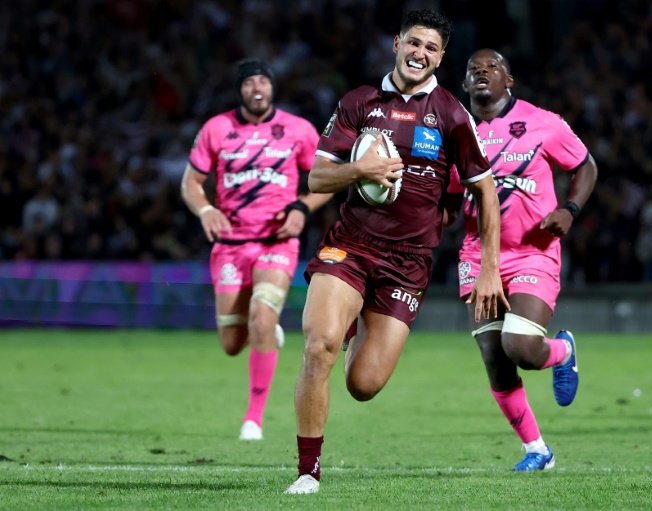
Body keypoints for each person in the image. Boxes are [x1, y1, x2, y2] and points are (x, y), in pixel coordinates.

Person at [284, 10, 509, 495]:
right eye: (413, 43)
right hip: (351, 245)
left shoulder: (452, 114)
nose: (419, 53)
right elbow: (318, 178)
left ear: (441, 57)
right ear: (396, 44)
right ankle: (308, 472)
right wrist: (360, 171)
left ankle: (353, 325)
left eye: (430, 48)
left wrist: (489, 268)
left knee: (363, 385)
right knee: (318, 344)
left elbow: (485, 191)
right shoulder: (359, 103)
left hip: (407, 265)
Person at [448, 48, 598, 471]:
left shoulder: (543, 123)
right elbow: (448, 199)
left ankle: (562, 353)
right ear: (464, 84)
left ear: (508, 80)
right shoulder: (455, 132)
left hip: (533, 251)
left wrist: (570, 210)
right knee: (495, 358)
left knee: (521, 347)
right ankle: (537, 450)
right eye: (473, 69)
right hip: (479, 255)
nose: (481, 72)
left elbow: (585, 165)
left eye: (491, 67)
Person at [180, 59, 332, 441]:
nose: (257, 87)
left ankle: (254, 418)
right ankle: (262, 332)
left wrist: (300, 208)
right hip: (230, 246)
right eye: (249, 82)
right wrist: (206, 209)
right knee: (232, 344)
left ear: (272, 87)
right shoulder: (217, 129)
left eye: (263, 80)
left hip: (275, 242)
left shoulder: (298, 130)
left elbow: (326, 181)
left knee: (262, 318)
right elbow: (191, 184)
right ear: (241, 90)